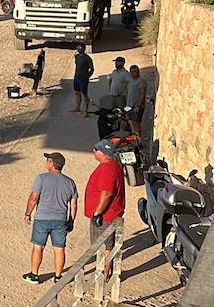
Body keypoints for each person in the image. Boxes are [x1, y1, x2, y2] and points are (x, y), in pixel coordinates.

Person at [23, 152, 78, 284]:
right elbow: (74, 204)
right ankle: (58, 276)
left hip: (42, 218)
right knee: (59, 249)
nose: (46, 162)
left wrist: (28, 214)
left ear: (51, 164)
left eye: (48, 160)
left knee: (38, 247)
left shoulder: (41, 178)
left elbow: (33, 198)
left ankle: (34, 275)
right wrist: (71, 220)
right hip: (60, 219)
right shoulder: (70, 182)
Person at [86, 140, 126, 278]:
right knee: (107, 246)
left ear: (102, 153)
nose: (93, 151)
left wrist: (97, 213)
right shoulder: (114, 165)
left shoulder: (107, 169)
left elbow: (107, 193)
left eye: (95, 149)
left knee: (104, 247)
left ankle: (104, 274)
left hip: (105, 217)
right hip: (111, 214)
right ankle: (106, 271)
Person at [126, 64, 148, 138]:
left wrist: (139, 105)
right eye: (131, 72)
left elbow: (142, 94)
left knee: (136, 124)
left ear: (138, 72)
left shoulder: (141, 81)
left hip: (137, 106)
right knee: (129, 121)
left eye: (134, 71)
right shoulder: (130, 81)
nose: (133, 73)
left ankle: (138, 141)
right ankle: (133, 138)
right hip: (129, 106)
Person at [72, 45, 94, 115]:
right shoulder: (77, 56)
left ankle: (86, 111)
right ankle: (77, 107)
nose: (78, 50)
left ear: (84, 49)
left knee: (84, 94)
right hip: (76, 77)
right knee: (77, 93)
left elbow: (92, 69)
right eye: (77, 48)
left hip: (83, 78)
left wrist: (87, 77)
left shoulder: (87, 58)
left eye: (80, 48)